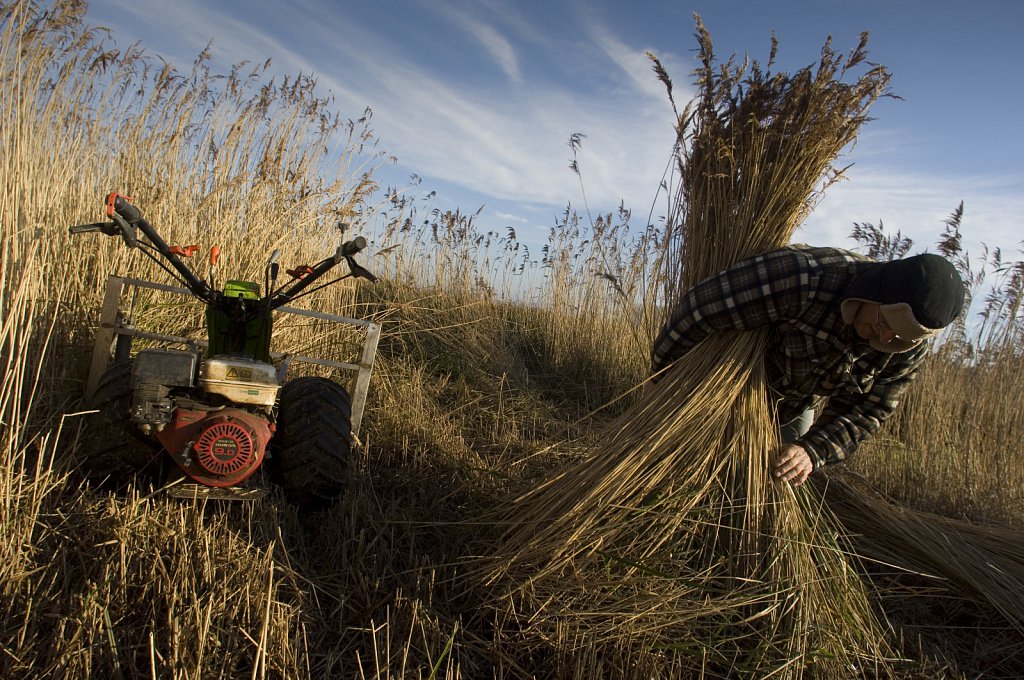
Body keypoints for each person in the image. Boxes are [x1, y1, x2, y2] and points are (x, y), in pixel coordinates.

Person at [650, 244, 966, 486]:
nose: (883, 337)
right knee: (675, 466)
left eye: (898, 337)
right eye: (883, 321)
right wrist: (662, 381)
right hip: (723, 385)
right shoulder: (804, 279)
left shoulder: (904, 348)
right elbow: (699, 310)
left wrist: (811, 452)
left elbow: (867, 412)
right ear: (875, 292)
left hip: (795, 406)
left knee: (765, 483)